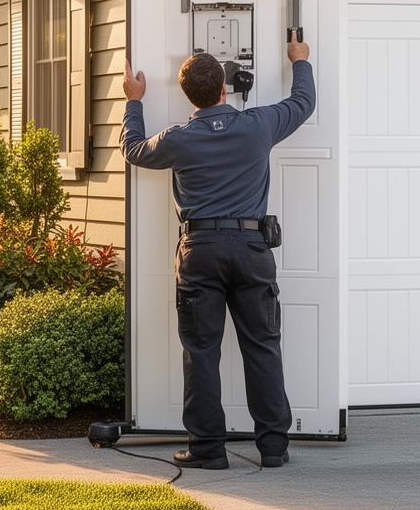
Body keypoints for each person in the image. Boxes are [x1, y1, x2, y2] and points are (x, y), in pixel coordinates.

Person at [121, 34, 314, 469]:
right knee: (263, 346)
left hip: (200, 252)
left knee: (202, 350)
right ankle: (273, 449)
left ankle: (208, 450)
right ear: (224, 88)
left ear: (188, 95)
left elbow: (133, 149)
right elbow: (303, 103)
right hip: (251, 247)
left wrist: (135, 101)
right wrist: (299, 60)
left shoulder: (178, 138)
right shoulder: (259, 124)